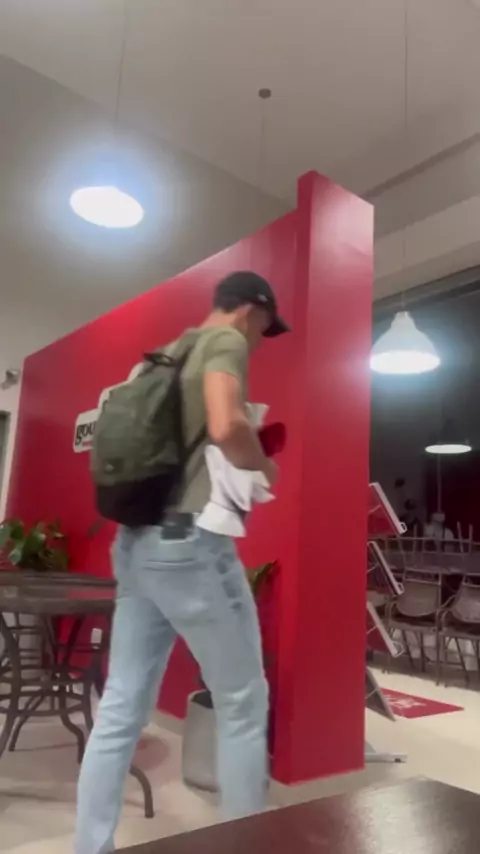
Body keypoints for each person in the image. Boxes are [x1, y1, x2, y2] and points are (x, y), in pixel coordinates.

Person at [75, 271, 290, 854]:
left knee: (121, 707)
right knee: (242, 702)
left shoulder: (162, 356)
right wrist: (264, 467)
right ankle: (247, 843)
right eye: (264, 328)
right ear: (251, 310)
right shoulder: (224, 341)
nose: (259, 340)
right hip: (190, 546)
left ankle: (89, 846)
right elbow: (227, 425)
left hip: (135, 546)